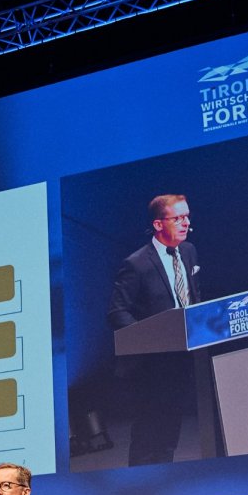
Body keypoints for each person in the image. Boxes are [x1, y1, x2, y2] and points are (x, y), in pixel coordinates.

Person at [107, 194, 204, 466]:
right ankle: (139, 486)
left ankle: (164, 477)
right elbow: (117, 311)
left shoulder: (189, 251)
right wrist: (148, 340)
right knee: (148, 436)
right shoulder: (136, 264)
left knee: (169, 434)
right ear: (158, 224)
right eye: (178, 218)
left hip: (182, 358)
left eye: (187, 217)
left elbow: (193, 296)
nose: (186, 223)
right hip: (150, 367)